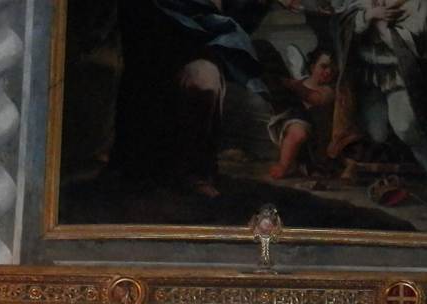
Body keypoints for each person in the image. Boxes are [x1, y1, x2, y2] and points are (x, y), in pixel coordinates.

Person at [112, 0, 274, 198]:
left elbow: (235, 23)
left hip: (196, 54)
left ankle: (195, 173)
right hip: (153, 56)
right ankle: (142, 168)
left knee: (204, 80)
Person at [331, 0, 427, 214]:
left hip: (397, 73)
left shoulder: (420, 3)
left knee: (406, 128)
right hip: (365, 76)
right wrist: (368, 16)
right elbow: (344, 22)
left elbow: (418, 44)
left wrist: (382, 27)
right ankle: (391, 174)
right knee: (375, 134)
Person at [268, 48, 337, 178]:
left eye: (333, 70)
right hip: (292, 121)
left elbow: (315, 98)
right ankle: (285, 164)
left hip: (314, 132)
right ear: (312, 67)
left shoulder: (329, 90)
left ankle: (285, 166)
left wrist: (293, 85)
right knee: (296, 130)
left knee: (299, 132)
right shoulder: (302, 81)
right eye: (324, 66)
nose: (328, 72)